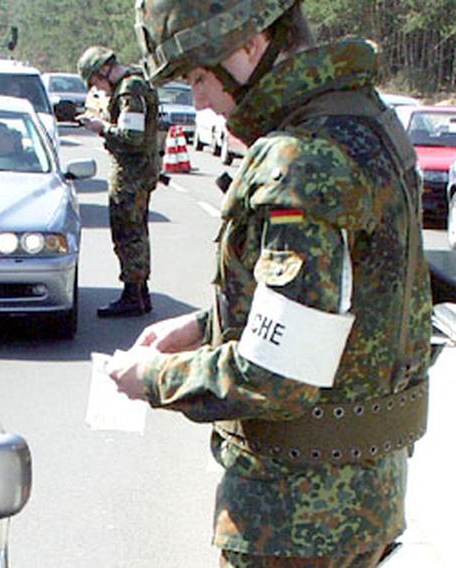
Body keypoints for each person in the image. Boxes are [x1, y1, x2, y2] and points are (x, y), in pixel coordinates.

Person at [106, 0, 433, 565]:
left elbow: (278, 376)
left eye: (199, 76)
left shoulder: (299, 159)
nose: (200, 99)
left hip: (295, 518)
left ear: (249, 46)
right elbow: (341, 311)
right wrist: (203, 326)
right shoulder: (362, 118)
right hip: (359, 503)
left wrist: (154, 378)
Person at [76, 46, 160, 317]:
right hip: (138, 172)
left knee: (128, 234)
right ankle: (140, 292)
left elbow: (131, 136)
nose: (98, 88)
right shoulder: (135, 84)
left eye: (96, 82)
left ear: (104, 70)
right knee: (136, 233)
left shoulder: (129, 90)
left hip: (131, 174)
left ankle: (132, 296)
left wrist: (102, 129)